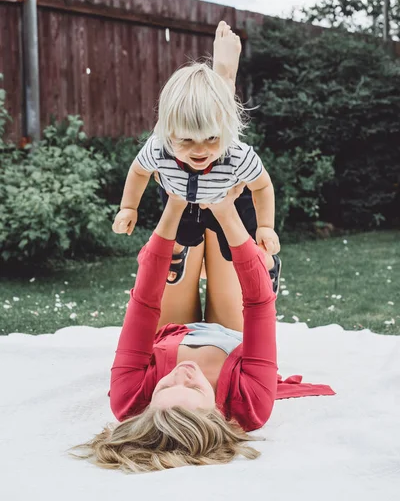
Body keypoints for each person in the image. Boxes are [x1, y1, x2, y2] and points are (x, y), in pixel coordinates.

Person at [71, 187, 335, 473]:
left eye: (166, 385)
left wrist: (173, 207)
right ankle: (265, 266)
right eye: (194, 387)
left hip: (173, 330)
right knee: (226, 234)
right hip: (234, 333)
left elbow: (144, 304)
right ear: (217, 415)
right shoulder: (251, 406)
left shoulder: (129, 399)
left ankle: (182, 256)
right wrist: (227, 213)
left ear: (148, 406)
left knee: (186, 223)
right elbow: (258, 304)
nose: (182, 373)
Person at [112, 21, 281, 285]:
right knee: (181, 232)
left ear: (223, 132)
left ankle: (268, 263)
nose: (200, 149)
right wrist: (128, 207)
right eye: (187, 140)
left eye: (211, 138)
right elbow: (138, 170)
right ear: (169, 133)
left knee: (235, 250)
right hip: (182, 195)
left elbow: (262, 186)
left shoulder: (236, 154)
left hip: (229, 196)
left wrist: (266, 226)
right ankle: (179, 251)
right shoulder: (159, 147)